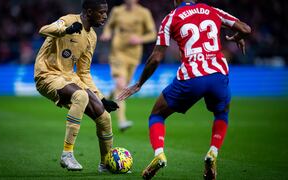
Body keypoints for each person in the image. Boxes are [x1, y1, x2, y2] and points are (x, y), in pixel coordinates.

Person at [118, 0, 251, 179]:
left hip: (192, 77)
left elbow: (156, 57)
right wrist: (238, 36)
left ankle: (159, 154)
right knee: (222, 113)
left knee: (157, 114)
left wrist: (139, 84)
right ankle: (212, 152)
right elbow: (246, 29)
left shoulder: (170, 18)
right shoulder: (212, 10)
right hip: (218, 75)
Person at [34, 0, 119, 172]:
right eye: (101, 12)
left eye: (106, 12)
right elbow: (43, 30)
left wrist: (101, 97)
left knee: (104, 117)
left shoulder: (92, 37)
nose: (105, 16)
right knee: (80, 96)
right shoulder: (67, 20)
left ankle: (106, 164)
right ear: (89, 12)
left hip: (68, 77)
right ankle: (67, 154)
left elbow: (84, 72)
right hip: (47, 74)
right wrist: (64, 31)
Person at [100, 0, 156, 131]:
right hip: (117, 53)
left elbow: (152, 34)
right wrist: (107, 33)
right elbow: (109, 26)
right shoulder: (117, 11)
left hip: (134, 56)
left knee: (121, 86)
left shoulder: (144, 13)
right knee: (121, 84)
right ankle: (121, 121)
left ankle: (104, 100)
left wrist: (140, 39)